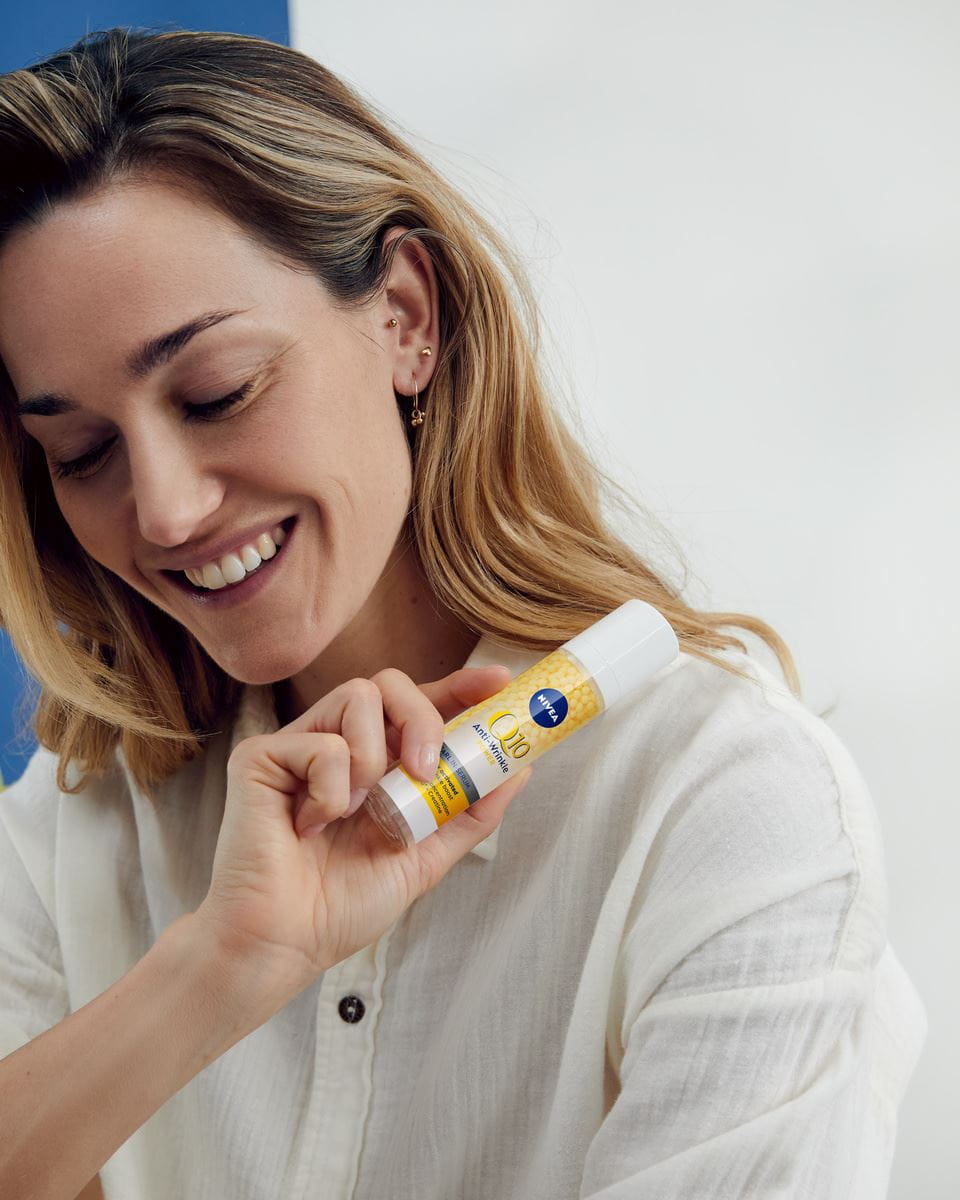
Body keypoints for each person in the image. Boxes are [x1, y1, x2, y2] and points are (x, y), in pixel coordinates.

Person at [0, 26, 927, 1200]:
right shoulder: (72, 830)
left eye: (219, 391)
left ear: (404, 315)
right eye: (81, 453)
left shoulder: (717, 804)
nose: (168, 511)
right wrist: (225, 963)